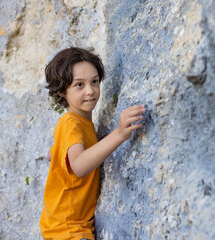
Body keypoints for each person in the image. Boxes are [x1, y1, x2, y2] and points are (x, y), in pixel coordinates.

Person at [39, 47, 145, 239]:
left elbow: (52, 155)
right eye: (79, 85)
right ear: (63, 91)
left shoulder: (79, 125)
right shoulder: (70, 122)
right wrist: (119, 134)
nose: (90, 91)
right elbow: (79, 165)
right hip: (68, 230)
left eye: (94, 82)